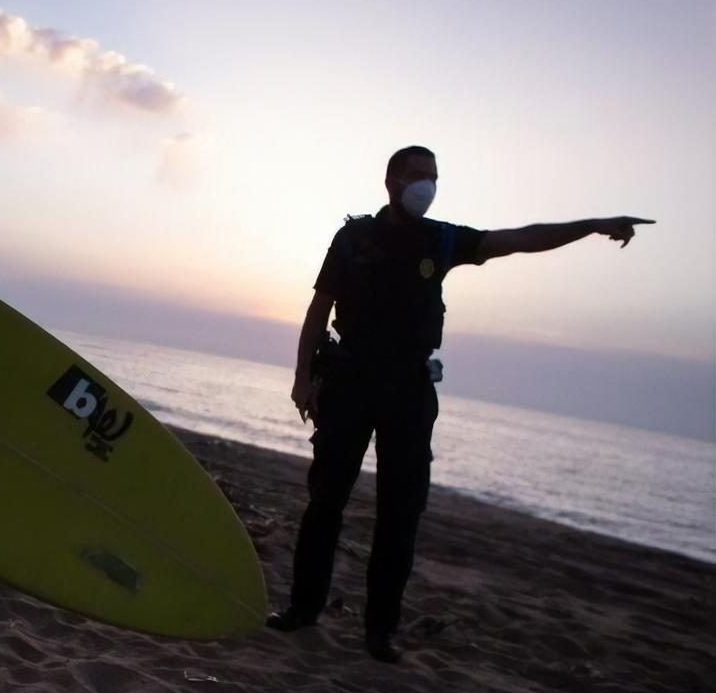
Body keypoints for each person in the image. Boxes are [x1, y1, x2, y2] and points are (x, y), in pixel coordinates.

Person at [268, 145, 652, 664]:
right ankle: (302, 610)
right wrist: (301, 377)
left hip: (409, 391)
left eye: (432, 177)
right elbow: (319, 307)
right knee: (325, 504)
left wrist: (591, 224)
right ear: (390, 181)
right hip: (350, 380)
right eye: (415, 175)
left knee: (399, 516)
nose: (424, 185)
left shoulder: (443, 239)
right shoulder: (354, 237)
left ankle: (380, 633)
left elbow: (519, 239)